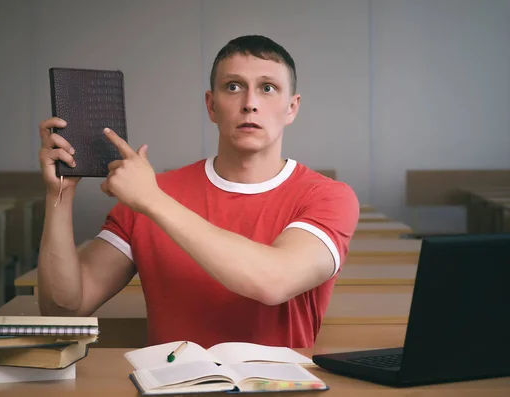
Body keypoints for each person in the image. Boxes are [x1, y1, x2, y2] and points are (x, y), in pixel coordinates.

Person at [36, 35, 359, 348]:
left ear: (292, 108)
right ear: (211, 105)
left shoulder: (329, 197)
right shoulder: (148, 195)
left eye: (267, 88)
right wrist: (59, 196)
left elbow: (273, 282)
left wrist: (151, 200)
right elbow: (63, 309)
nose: (250, 104)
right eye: (233, 87)